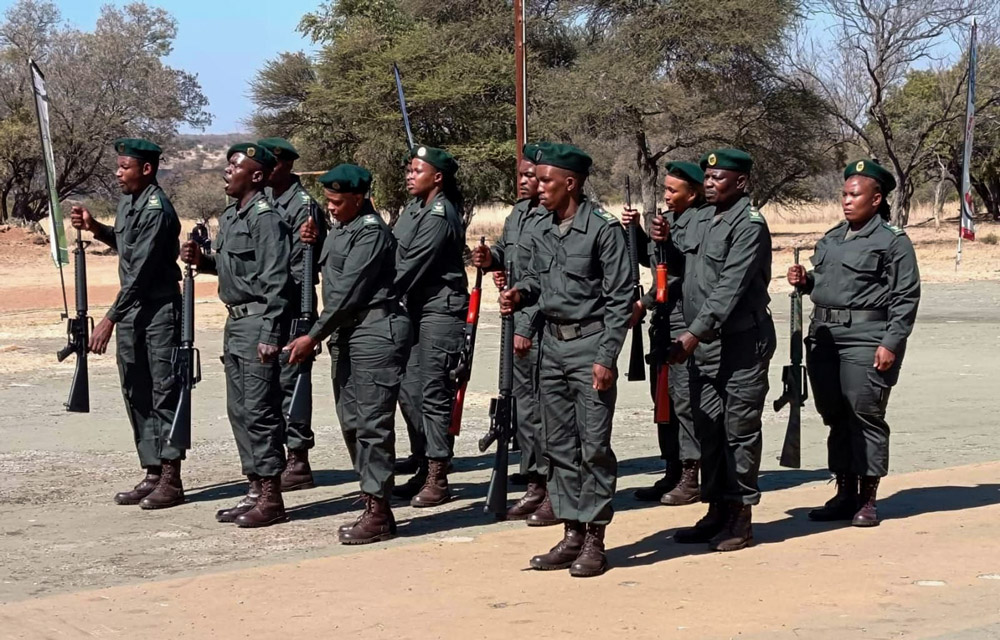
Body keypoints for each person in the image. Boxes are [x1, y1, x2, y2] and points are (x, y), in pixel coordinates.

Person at [500, 143, 632, 578]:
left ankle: (594, 538)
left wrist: (607, 357)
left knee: (592, 446)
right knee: (558, 446)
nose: (537, 187)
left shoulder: (602, 229)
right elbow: (537, 280)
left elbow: (620, 300)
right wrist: (520, 293)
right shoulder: (543, 226)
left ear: (570, 183)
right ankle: (572, 531)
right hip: (551, 347)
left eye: (545, 181)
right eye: (536, 180)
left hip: (590, 346)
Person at [652, 148, 774, 552]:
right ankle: (716, 509)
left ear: (740, 182)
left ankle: (741, 516)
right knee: (710, 430)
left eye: (718, 177)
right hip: (705, 347)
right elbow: (681, 265)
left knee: (739, 432)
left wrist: (692, 334)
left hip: (740, 344)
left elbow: (729, 289)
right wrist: (660, 240)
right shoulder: (704, 218)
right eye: (706, 176)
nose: (709, 183)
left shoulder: (750, 225)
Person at [788, 159, 920, 527]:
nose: (846, 201)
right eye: (844, 194)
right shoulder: (833, 237)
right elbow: (830, 282)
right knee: (834, 415)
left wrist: (891, 342)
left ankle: (868, 498)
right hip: (824, 337)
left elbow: (905, 297)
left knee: (864, 414)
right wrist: (806, 281)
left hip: (866, 337)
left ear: (876, 199)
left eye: (854, 195)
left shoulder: (892, 241)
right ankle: (844, 492)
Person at [285, 164, 410, 544]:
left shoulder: (371, 233)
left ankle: (379, 510)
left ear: (359, 198)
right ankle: (371, 497)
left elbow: (347, 293)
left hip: (374, 331)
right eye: (328, 201)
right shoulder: (342, 229)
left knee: (372, 425)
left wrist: (312, 336)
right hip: (346, 333)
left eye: (337, 202)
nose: (331, 207)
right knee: (351, 422)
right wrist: (315, 239)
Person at [180, 142, 292, 528]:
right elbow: (236, 269)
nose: (227, 171)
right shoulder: (231, 216)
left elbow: (277, 282)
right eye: (227, 165)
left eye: (234, 166)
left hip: (259, 321)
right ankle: (255, 489)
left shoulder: (266, 219)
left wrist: (271, 333)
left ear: (256, 176)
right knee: (239, 411)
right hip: (235, 322)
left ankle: (272, 497)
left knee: (260, 411)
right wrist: (204, 261)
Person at [70, 138, 185, 509]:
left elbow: (142, 273)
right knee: (135, 389)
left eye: (124, 167)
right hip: (134, 311)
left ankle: (171, 478)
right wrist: (96, 228)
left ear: (146, 169)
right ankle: (152, 470)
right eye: (118, 166)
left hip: (158, 311)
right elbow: (127, 245)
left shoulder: (157, 209)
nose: (118, 173)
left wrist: (109, 319)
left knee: (163, 392)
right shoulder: (129, 202)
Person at [470, 143, 557, 525]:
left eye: (529, 175)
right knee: (524, 409)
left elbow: (548, 280)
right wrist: (491, 259)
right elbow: (508, 253)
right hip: (515, 320)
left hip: (539, 325)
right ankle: (535, 482)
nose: (522, 181)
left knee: (545, 410)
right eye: (520, 174)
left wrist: (526, 326)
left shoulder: (554, 216)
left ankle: (554, 487)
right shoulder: (519, 213)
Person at [622, 161, 712, 506]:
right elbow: (654, 261)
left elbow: (683, 271)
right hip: (663, 321)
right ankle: (672, 467)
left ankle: (692, 473)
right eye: (666, 189)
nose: (667, 195)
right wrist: (636, 232)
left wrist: (643, 303)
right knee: (663, 399)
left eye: (674, 190)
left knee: (684, 400)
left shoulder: (703, 222)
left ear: (694, 193)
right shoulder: (668, 219)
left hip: (684, 319)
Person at [391, 145, 469, 507]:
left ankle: (438, 474)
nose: (410, 176)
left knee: (434, 392)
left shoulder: (440, 213)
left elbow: (411, 266)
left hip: (440, 311)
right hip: (414, 307)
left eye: (417, 171)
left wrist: (374, 295)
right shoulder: (413, 209)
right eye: (409, 170)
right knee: (409, 389)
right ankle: (423, 463)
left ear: (437, 178)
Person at [258, 137, 327, 492]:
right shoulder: (267, 201)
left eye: (271, 163)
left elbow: (301, 267)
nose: (265, 170)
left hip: (294, 305)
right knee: (270, 387)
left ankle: (298, 458)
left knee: (292, 383)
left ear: (285, 165)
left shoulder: (303, 206)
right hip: (271, 304)